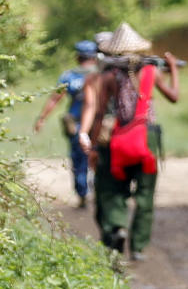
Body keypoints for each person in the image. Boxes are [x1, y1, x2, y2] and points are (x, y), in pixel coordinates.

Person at [79, 23, 179, 259]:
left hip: (119, 138)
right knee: (145, 194)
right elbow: (174, 97)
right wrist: (173, 69)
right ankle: (138, 247)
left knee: (114, 189)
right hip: (148, 137)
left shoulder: (109, 76)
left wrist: (93, 146)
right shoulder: (151, 72)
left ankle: (118, 226)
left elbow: (101, 112)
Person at [34, 40, 98, 208]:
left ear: (77, 57)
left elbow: (55, 98)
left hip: (77, 125)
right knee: (100, 158)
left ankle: (83, 193)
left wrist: (42, 118)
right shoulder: (102, 74)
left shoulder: (69, 76)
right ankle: (99, 192)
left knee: (79, 161)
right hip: (99, 125)